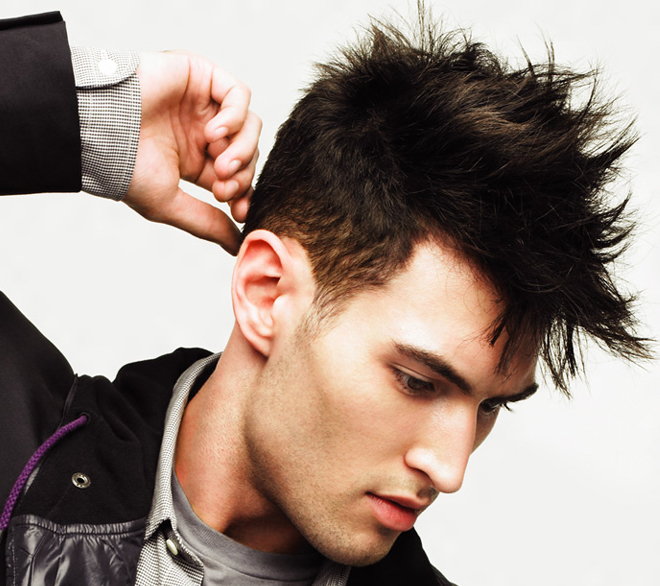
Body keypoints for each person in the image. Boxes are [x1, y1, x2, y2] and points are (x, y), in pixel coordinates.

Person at [0, 9, 649, 586]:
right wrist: (90, 111)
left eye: (489, 406)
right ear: (266, 292)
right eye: (417, 381)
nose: (451, 470)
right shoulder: (22, 461)